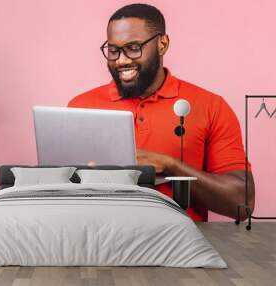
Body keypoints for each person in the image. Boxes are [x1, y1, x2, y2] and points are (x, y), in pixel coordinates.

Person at [68, 3, 255, 221]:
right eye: (113, 50)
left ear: (162, 44)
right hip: (96, 247)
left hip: (180, 249)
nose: (121, 60)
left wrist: (169, 165)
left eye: (133, 47)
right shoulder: (79, 106)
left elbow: (242, 204)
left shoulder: (211, 106)